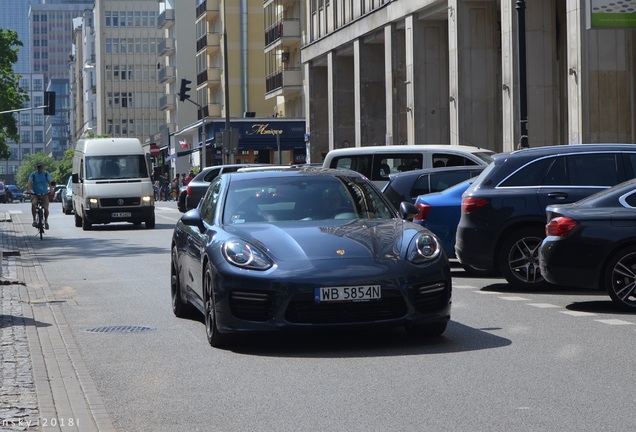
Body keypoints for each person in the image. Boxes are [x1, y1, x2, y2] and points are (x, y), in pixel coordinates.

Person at [27, 162, 53, 229]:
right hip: (36, 194)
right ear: (37, 167)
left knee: (46, 208)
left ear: (43, 167)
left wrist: (51, 189)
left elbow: (50, 182)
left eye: (41, 167)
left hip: (44, 194)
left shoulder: (46, 173)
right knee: (33, 204)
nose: (40, 168)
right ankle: (34, 220)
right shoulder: (33, 174)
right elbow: (29, 182)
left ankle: (46, 221)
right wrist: (29, 190)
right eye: (38, 167)